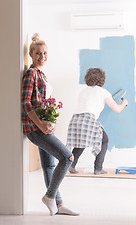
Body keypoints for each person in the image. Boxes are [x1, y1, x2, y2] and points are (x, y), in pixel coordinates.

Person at [21, 33, 79, 216]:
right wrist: (40, 124)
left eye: (45, 53)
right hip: (35, 128)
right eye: (38, 53)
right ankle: (50, 196)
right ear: (31, 54)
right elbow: (26, 103)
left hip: (43, 125)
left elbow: (43, 102)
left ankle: (59, 205)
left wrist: (49, 121)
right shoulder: (31, 73)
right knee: (67, 157)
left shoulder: (41, 74)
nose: (42, 57)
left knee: (48, 166)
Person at [67, 68, 128, 175]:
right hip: (88, 118)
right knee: (104, 140)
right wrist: (124, 103)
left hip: (75, 119)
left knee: (80, 143)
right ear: (101, 79)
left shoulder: (83, 91)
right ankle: (98, 168)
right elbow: (117, 109)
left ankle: (71, 165)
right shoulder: (104, 92)